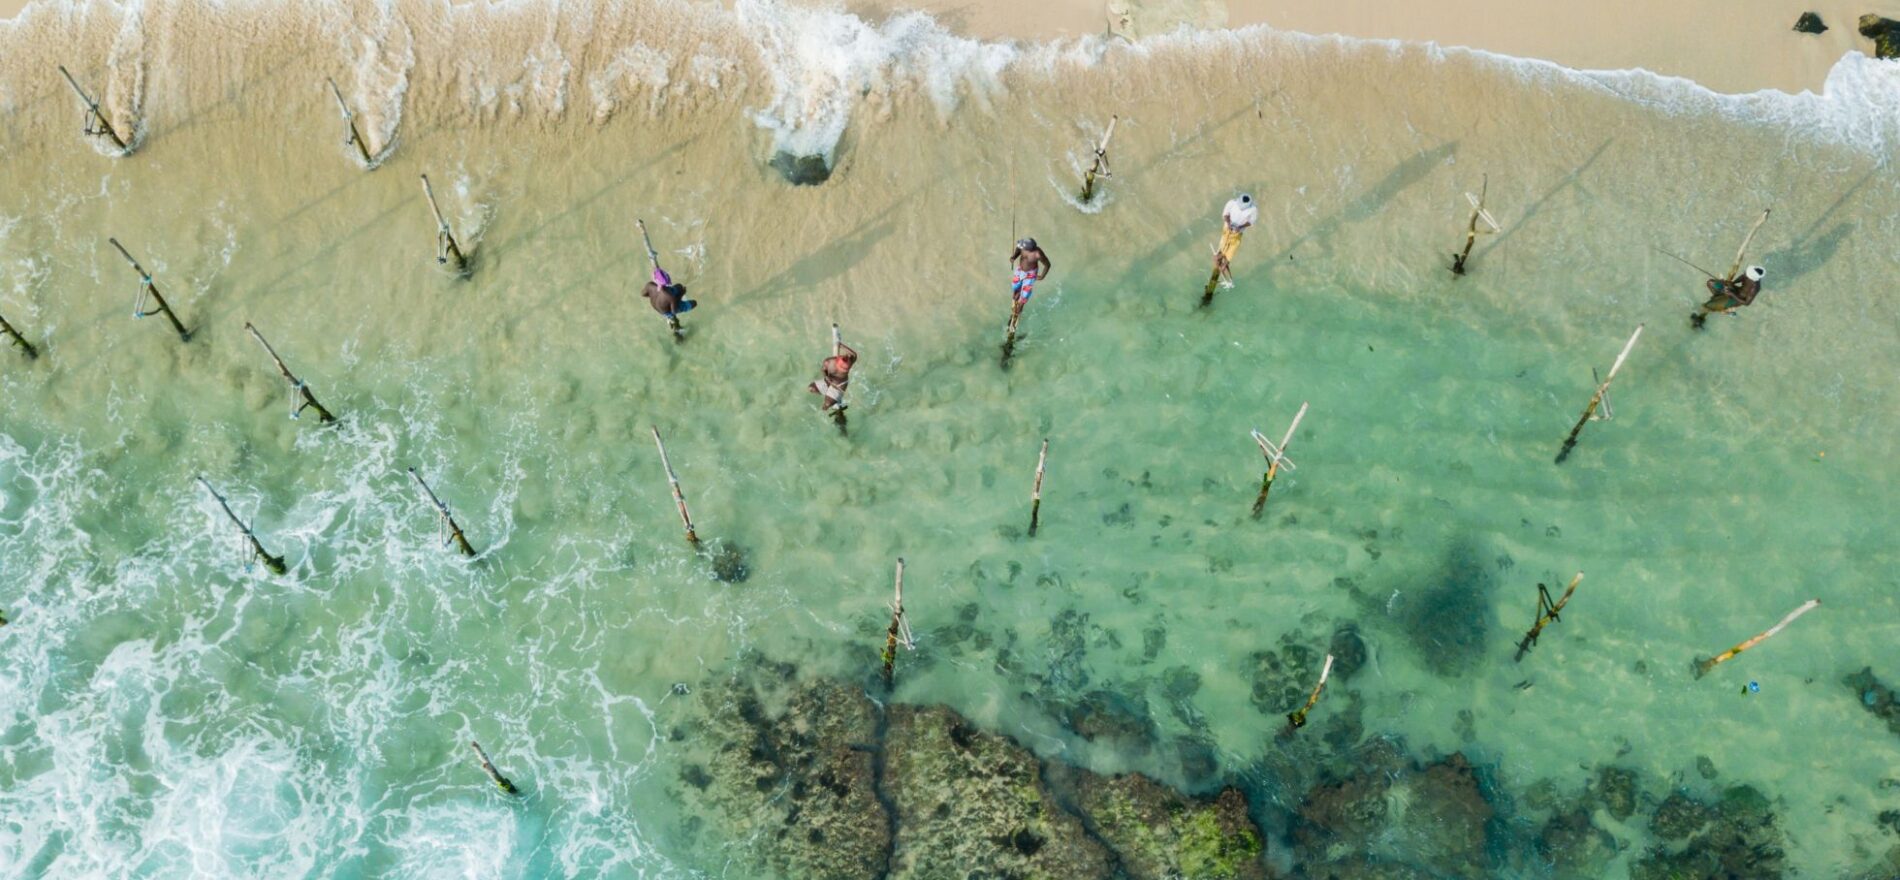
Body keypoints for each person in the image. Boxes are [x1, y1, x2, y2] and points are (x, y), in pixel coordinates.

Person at [1693, 265, 1764, 328]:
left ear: (1752, 277)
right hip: (1734, 290)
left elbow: (1746, 303)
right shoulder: (1749, 273)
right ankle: (1720, 303)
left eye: (1747, 273)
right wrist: (1731, 283)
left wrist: (1731, 294)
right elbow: (1742, 277)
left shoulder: (1755, 288)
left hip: (1736, 299)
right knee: (1710, 283)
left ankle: (1701, 319)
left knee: (1708, 305)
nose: (1745, 273)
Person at [1215, 193, 1260, 282]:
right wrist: (1229, 223)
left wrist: (1240, 227)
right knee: (1222, 247)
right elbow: (1225, 215)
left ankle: (1225, 264)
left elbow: (1251, 222)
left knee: (1233, 248)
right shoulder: (1232, 203)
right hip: (1227, 229)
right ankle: (1219, 260)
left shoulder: (1253, 209)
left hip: (1238, 232)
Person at [1008, 238, 1052, 321]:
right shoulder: (1021, 247)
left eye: (1023, 247)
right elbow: (1018, 249)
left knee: (1024, 297)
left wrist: (1042, 276)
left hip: (1030, 274)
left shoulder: (1038, 254)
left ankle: (1018, 313)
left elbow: (1047, 264)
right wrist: (1014, 257)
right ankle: (1015, 306)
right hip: (1020, 270)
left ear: (1030, 249)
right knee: (1015, 291)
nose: (1021, 248)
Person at [809, 340, 859, 412]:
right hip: (828, 380)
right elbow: (823, 370)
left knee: (826, 404)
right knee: (811, 388)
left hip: (839, 385)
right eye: (842, 367)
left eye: (846, 368)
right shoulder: (828, 362)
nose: (844, 370)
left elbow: (854, 354)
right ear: (837, 361)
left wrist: (841, 345)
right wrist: (827, 378)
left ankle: (832, 402)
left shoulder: (850, 361)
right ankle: (829, 396)